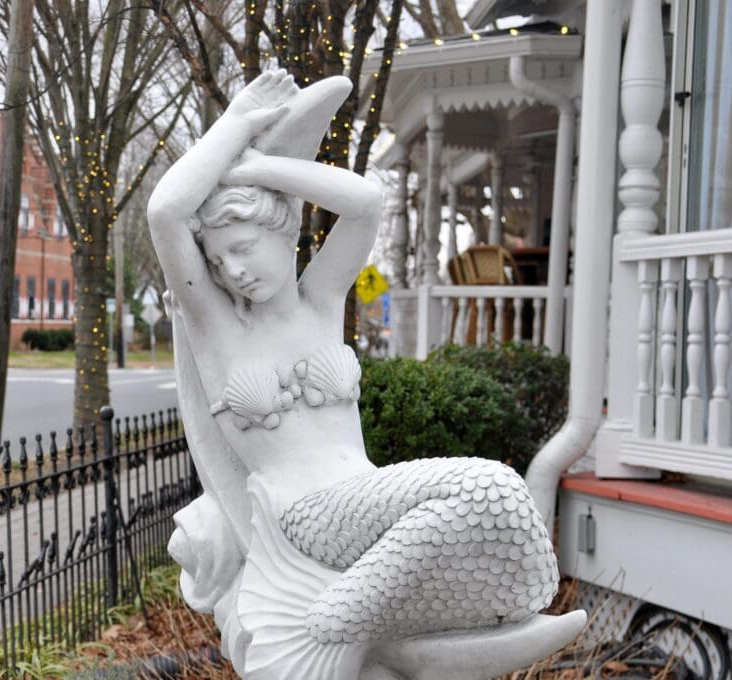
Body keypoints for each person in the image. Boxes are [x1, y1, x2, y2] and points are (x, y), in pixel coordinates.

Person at [148, 70, 582, 680]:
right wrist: (238, 124)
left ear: (283, 229)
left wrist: (254, 172)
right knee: (490, 490)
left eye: (242, 246)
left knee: (512, 551)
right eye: (218, 261)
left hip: (363, 500)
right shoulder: (220, 329)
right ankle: (337, 619)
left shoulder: (320, 303)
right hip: (309, 516)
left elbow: (366, 202)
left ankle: (356, 623)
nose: (232, 270)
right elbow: (165, 210)